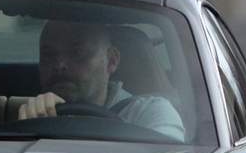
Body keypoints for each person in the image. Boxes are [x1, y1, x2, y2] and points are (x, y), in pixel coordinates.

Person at [15, 18, 184, 137]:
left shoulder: (150, 113)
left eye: (77, 53)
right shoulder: (31, 117)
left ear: (111, 60)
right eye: (48, 55)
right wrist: (30, 127)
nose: (60, 65)